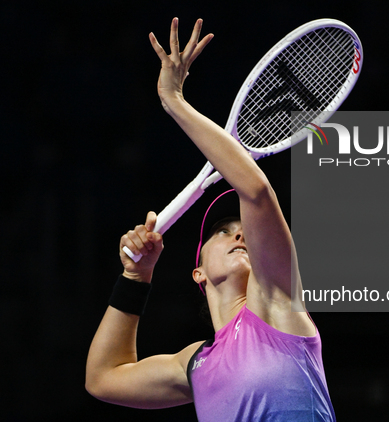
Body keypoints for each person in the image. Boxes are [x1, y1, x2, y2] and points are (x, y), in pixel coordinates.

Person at [85, 17, 336, 421]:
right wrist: (135, 279)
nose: (240, 236)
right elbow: (104, 378)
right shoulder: (195, 365)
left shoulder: (278, 304)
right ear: (198, 272)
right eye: (223, 231)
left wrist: (174, 102)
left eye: (243, 232)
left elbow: (254, 191)